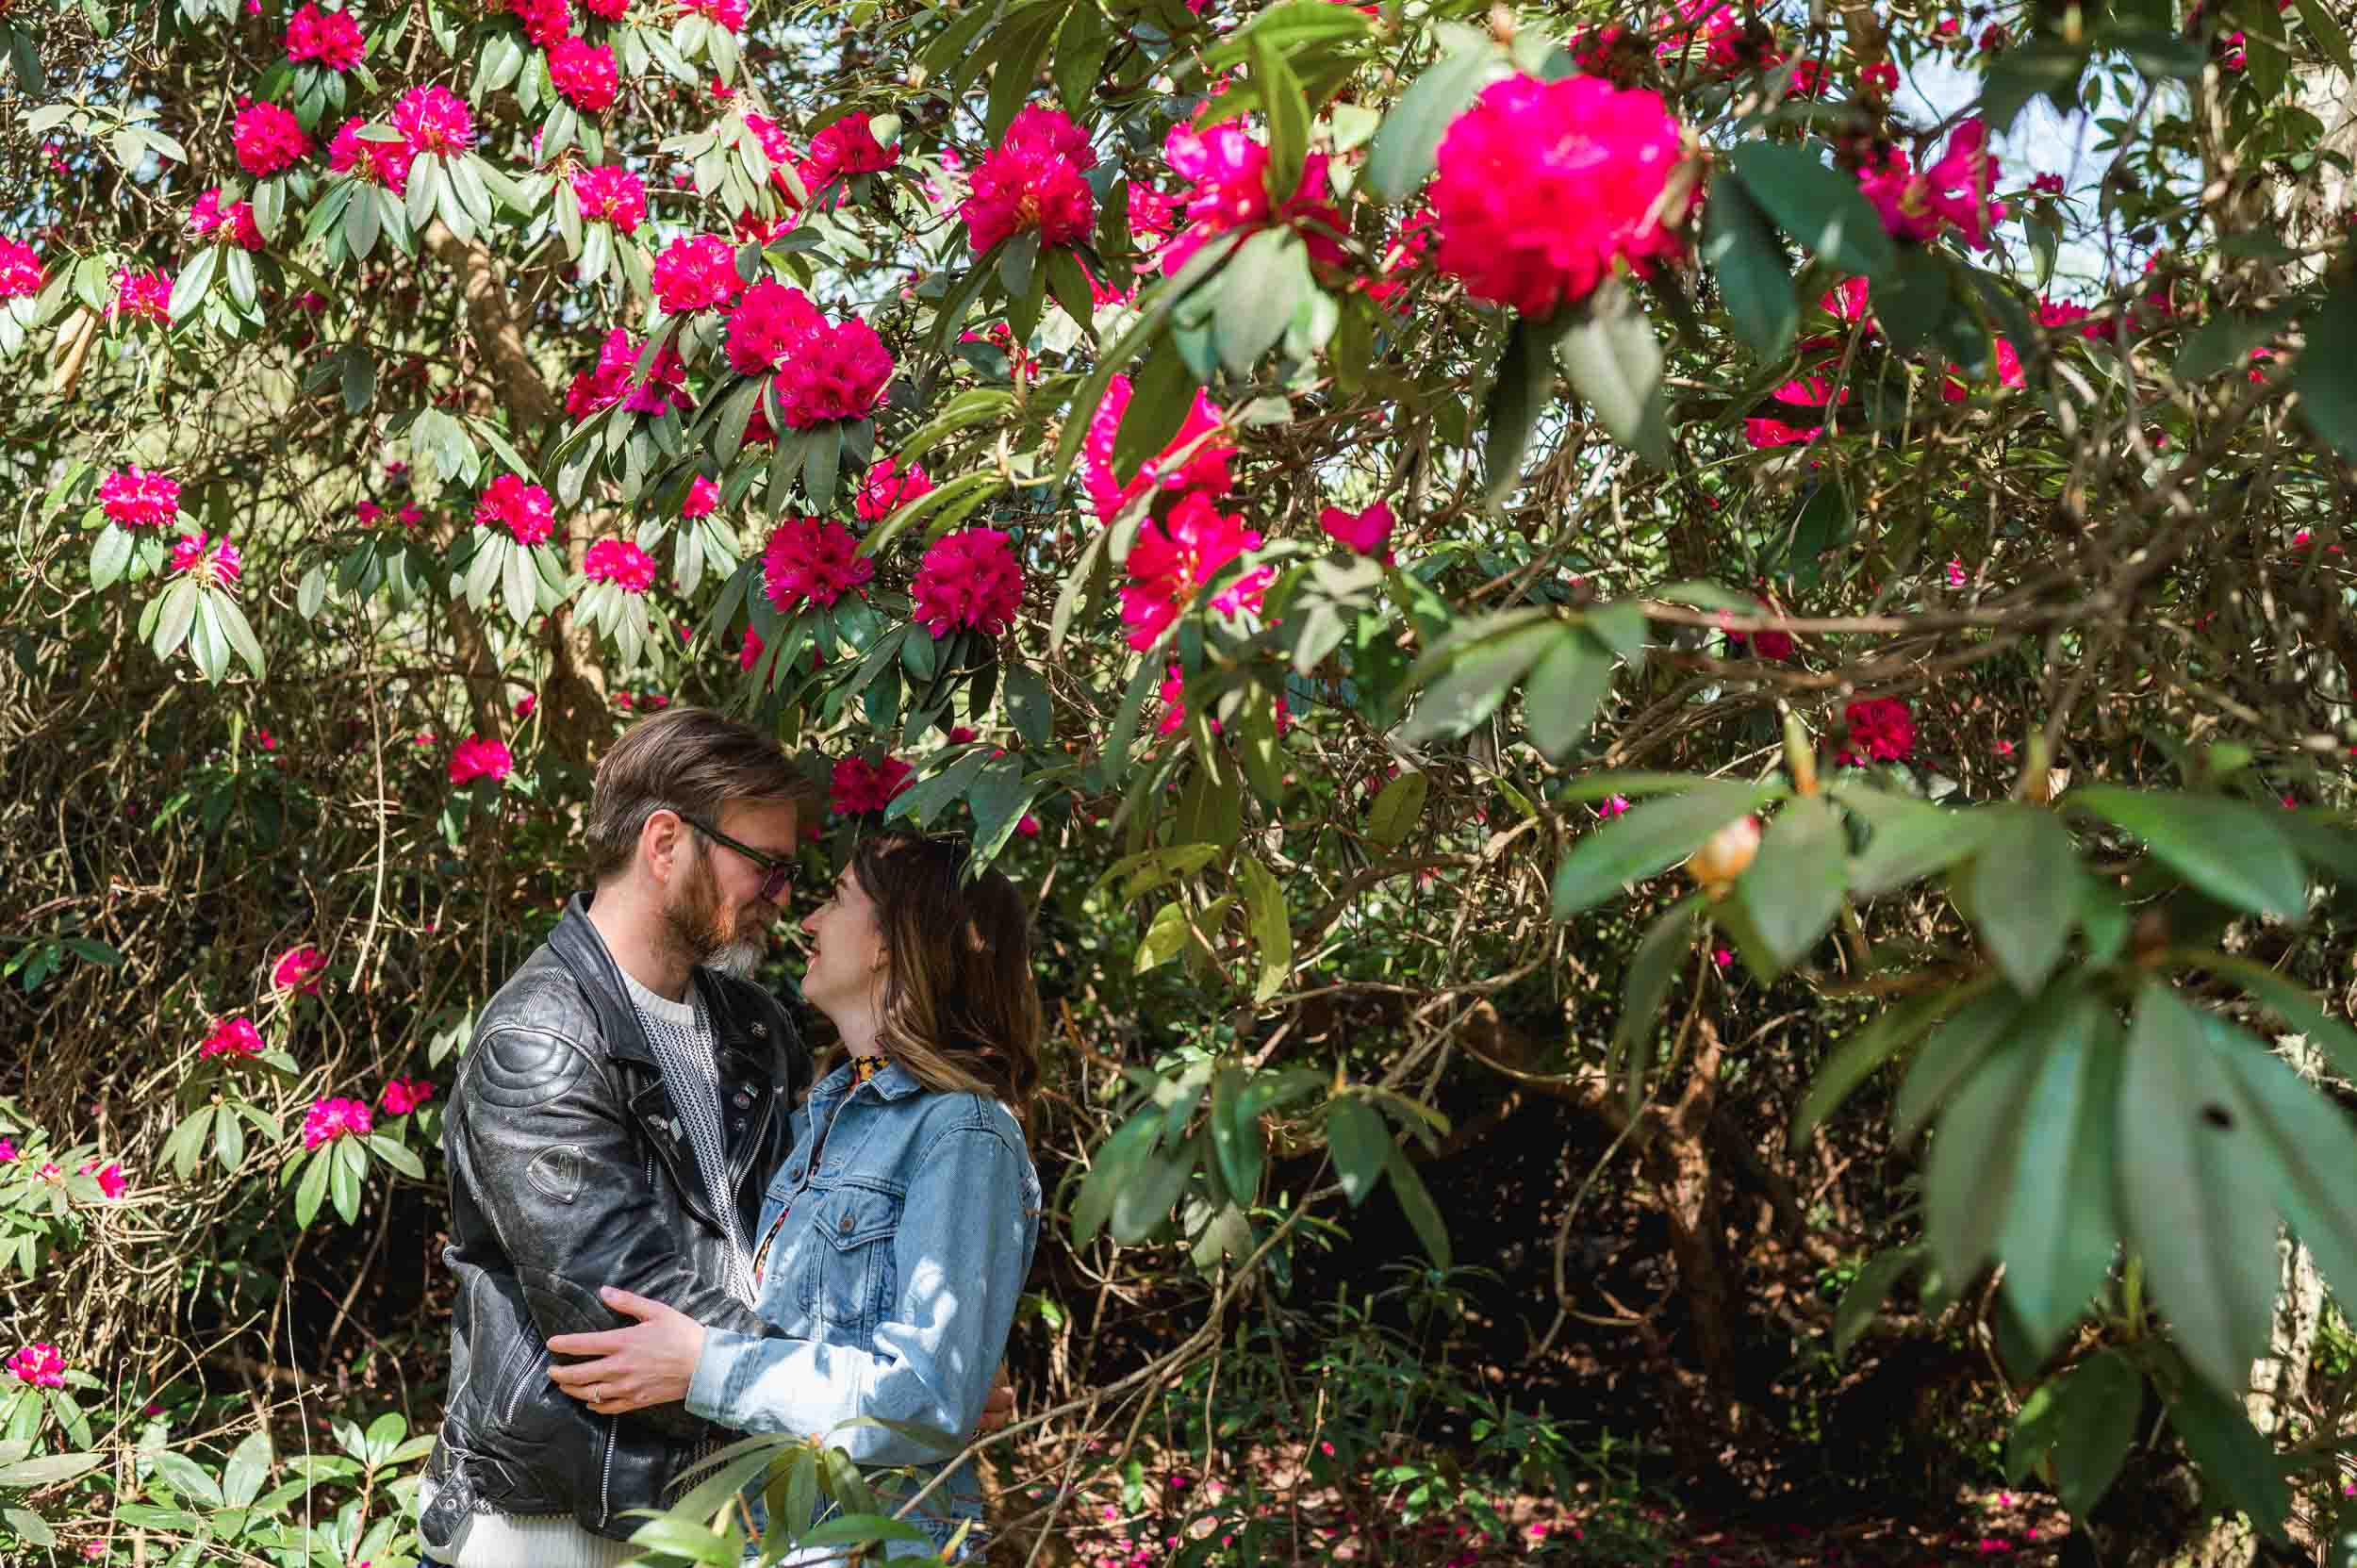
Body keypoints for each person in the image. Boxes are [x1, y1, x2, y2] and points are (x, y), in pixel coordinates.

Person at [417, 710, 1012, 1567]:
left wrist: (922, 1378)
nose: (783, 896)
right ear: (666, 843)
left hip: (715, 1512)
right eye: (765, 865)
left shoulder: (755, 1026)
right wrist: (880, 1396)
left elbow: (817, 1253)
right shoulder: (540, 1041)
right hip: (557, 1526)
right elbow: (621, 1314)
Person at [543, 829, 1044, 1562]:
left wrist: (703, 1365)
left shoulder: (963, 1132)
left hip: (867, 1542)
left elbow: (927, 1401)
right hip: (769, 1533)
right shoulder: (827, 1111)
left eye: (836, 899)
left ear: (889, 942)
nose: (807, 920)